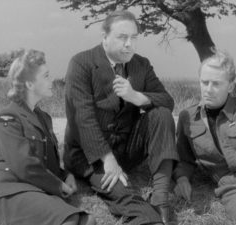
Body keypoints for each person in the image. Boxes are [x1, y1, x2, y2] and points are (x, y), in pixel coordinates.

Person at [63, 10, 179, 225]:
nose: (129, 44)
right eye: (122, 37)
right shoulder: (81, 63)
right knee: (120, 189)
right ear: (104, 37)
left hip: (126, 149)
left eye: (134, 38)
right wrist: (108, 160)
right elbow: (83, 119)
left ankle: (161, 196)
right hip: (90, 155)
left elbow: (167, 101)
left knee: (161, 114)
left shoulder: (141, 64)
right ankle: (148, 218)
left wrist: (136, 96)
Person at [0, 49, 96, 225]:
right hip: (10, 189)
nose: (52, 81)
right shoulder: (8, 117)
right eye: (46, 76)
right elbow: (24, 165)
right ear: (29, 84)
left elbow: (46, 161)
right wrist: (58, 186)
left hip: (34, 188)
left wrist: (66, 176)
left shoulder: (44, 118)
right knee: (71, 220)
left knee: (88, 221)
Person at [173, 49, 236, 225]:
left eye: (216, 84)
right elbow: (184, 158)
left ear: (230, 86)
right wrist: (182, 178)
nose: (208, 89)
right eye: (204, 82)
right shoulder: (187, 117)